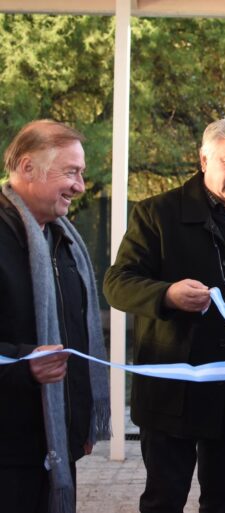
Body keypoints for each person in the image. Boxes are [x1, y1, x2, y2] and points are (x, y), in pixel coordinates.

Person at [103, 118, 225, 513]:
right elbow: (117, 283)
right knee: (164, 499)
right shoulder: (156, 213)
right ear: (204, 159)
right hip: (174, 388)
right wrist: (167, 295)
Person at [0, 120, 110, 513]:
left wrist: (76, 424)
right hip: (10, 450)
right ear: (28, 168)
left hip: (55, 443)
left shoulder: (63, 239)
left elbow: (73, 337)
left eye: (80, 174)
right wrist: (24, 364)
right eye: (71, 172)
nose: (80, 186)